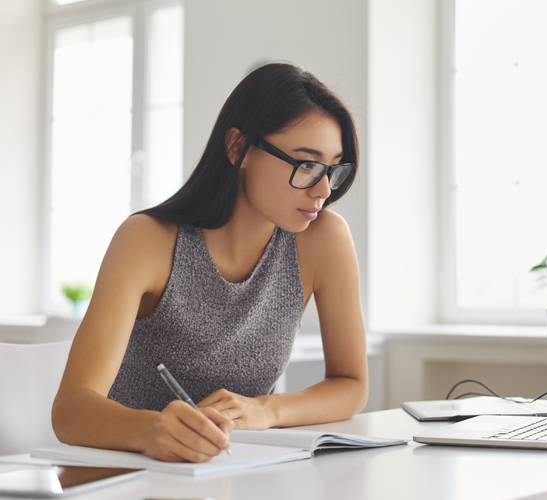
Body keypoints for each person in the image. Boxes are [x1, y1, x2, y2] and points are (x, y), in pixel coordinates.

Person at [51, 63, 368, 463]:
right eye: (306, 165)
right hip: (128, 472)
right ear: (238, 148)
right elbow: (70, 410)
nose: (323, 189)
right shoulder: (147, 240)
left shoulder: (324, 239)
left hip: (234, 471)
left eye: (333, 169)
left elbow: (351, 384)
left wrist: (266, 410)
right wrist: (150, 430)